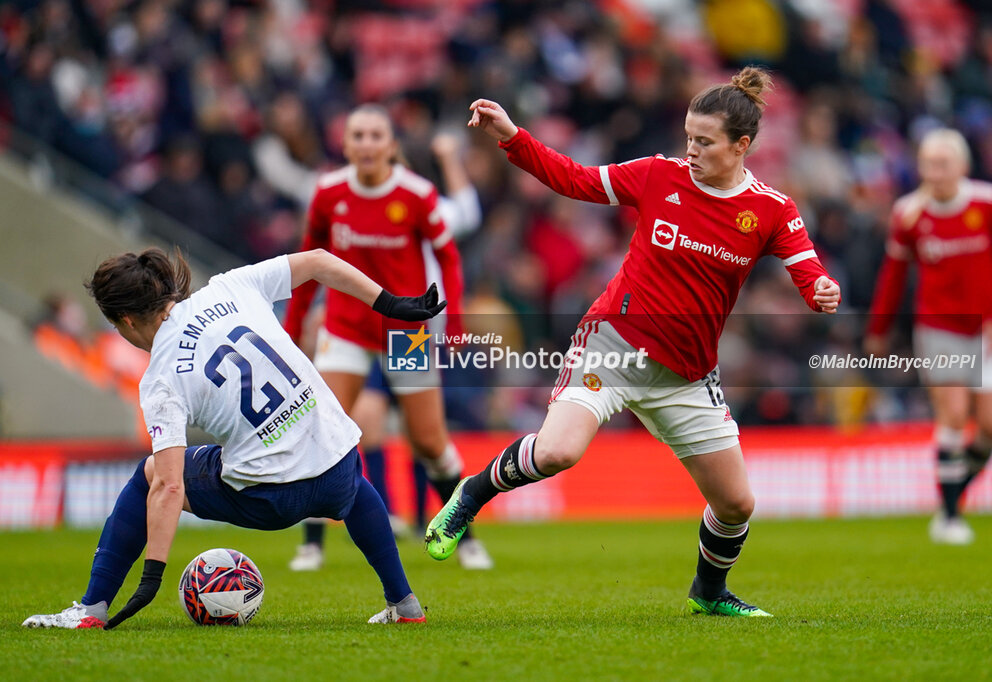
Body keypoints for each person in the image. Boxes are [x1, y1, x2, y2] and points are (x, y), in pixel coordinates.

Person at [425, 67, 842, 617]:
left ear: (742, 145)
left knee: (737, 503)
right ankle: (471, 495)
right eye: (688, 137)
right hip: (614, 347)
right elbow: (573, 178)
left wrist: (821, 290)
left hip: (688, 375)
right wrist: (512, 136)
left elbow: (807, 265)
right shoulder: (656, 176)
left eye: (705, 141)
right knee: (557, 452)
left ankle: (709, 593)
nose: (690, 150)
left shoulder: (770, 209)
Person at [22, 246, 445, 629]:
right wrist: (390, 304)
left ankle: (92, 608)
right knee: (351, 482)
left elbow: (169, 485)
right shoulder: (232, 286)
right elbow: (318, 260)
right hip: (336, 469)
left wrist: (152, 575)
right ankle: (404, 603)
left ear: (127, 321)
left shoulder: (160, 379)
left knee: (149, 472)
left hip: (269, 498)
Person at [284, 105, 492, 571]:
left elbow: (450, 258)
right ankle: (312, 543)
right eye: (358, 135)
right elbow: (308, 261)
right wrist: (293, 327)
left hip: (406, 333)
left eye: (376, 135)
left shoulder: (417, 195)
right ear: (346, 144)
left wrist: (453, 325)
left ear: (391, 146)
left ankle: (466, 533)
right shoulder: (327, 193)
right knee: (323, 432)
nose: (367, 144)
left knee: (429, 441)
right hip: (346, 329)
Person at [865, 128, 992, 545]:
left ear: (963, 166)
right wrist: (878, 330)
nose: (935, 173)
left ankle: (951, 497)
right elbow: (893, 276)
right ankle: (952, 516)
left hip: (986, 327)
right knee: (954, 414)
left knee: (988, 426)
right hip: (938, 327)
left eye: (943, 164)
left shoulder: (984, 204)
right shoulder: (909, 214)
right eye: (928, 164)